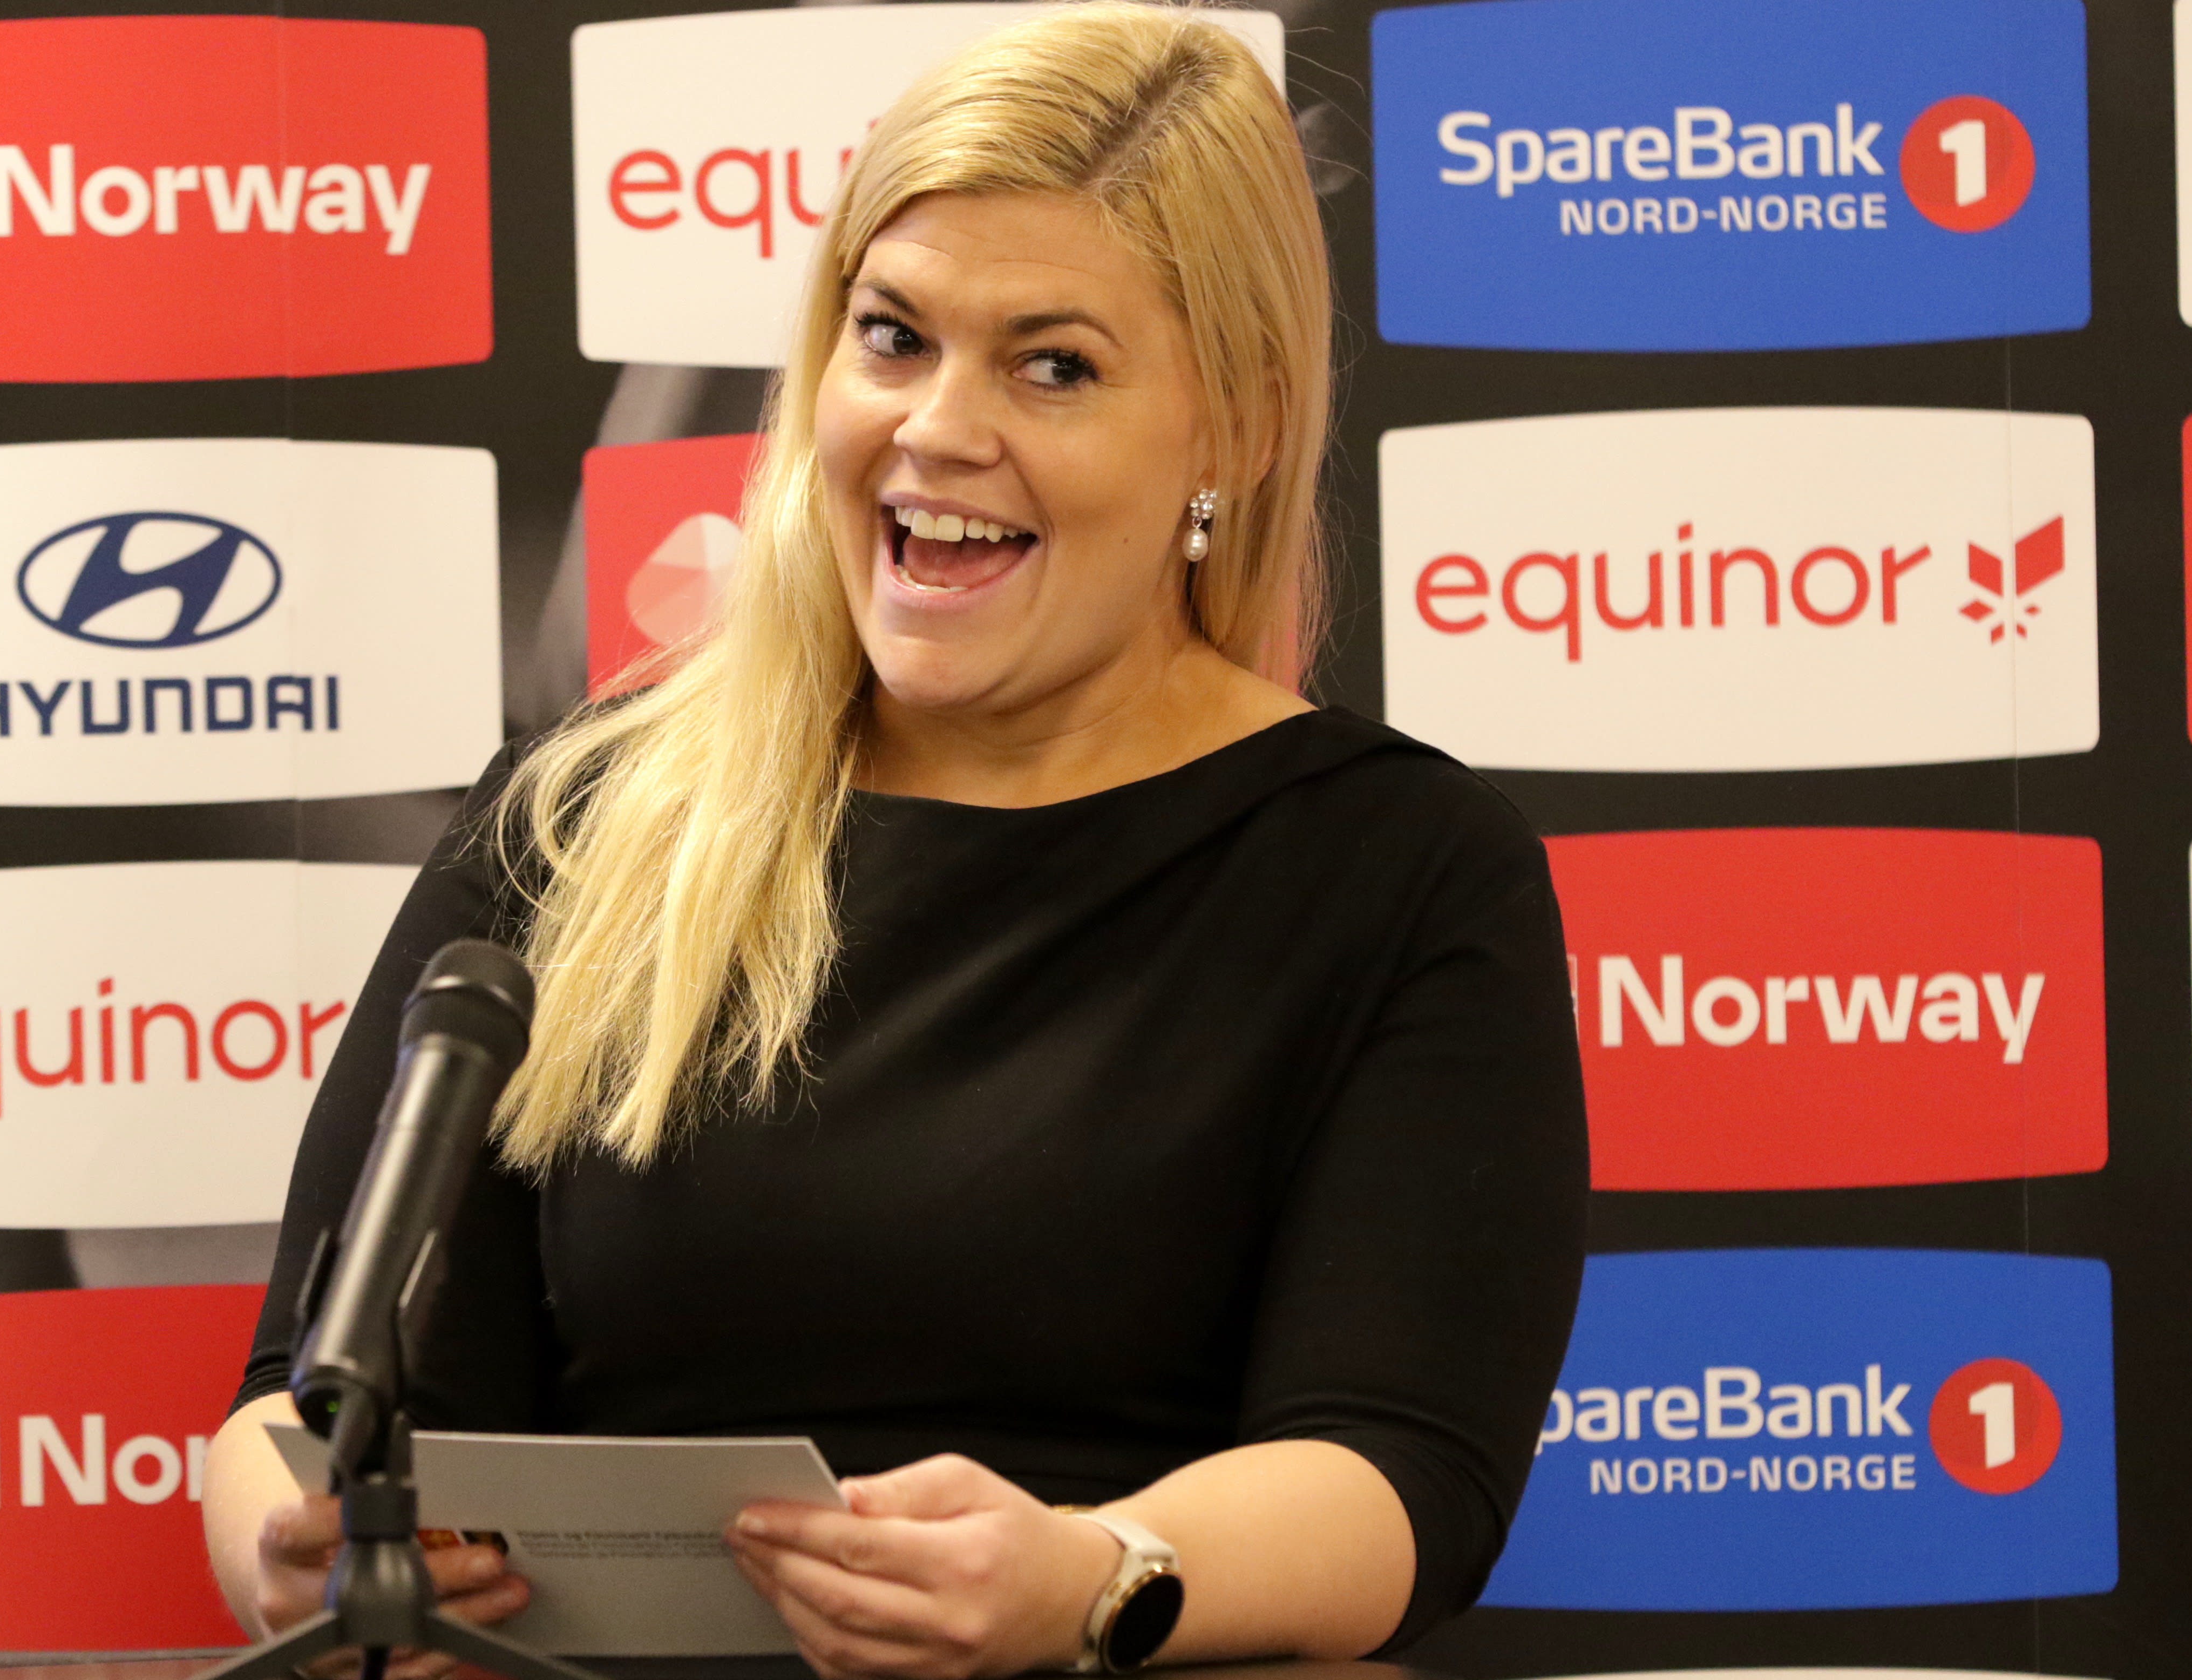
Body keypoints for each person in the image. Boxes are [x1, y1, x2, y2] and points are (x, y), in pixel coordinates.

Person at [201, 4, 1586, 1673]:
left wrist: (1090, 1575)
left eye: (1054, 366)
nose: (937, 427)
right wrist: (290, 1543)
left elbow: (1402, 1473)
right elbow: (302, 1399)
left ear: (1236, 427)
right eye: (893, 338)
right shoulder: (580, 817)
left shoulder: (1397, 866)